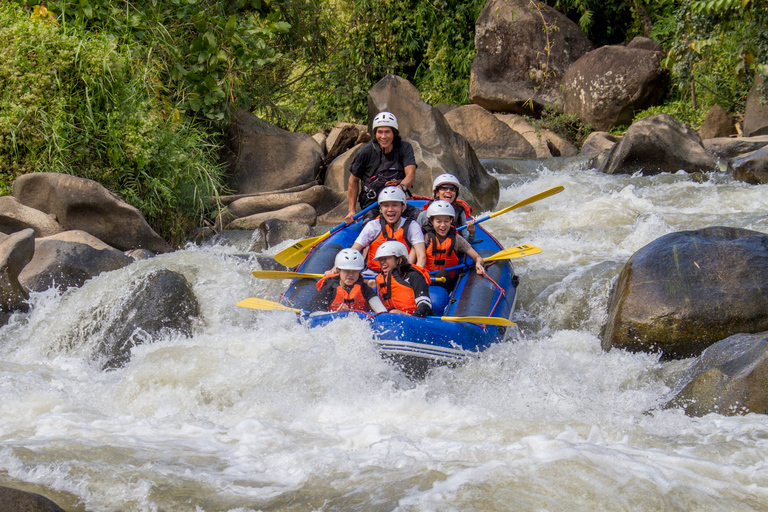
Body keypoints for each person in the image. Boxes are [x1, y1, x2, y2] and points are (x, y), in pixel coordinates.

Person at [345, 111, 419, 224]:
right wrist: (351, 211)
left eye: (387, 132)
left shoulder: (405, 148)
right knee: (370, 228)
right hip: (373, 205)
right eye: (380, 132)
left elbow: (411, 175)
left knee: (424, 218)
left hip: (397, 202)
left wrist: (399, 188)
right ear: (375, 133)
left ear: (394, 133)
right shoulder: (365, 152)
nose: (383, 136)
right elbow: (353, 181)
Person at [352, 186, 426, 272]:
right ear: (380, 208)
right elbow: (354, 250)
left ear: (403, 207)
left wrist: (415, 277)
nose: (390, 209)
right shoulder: (373, 226)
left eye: (395, 205)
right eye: (386, 206)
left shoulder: (412, 226)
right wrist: (337, 268)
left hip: (401, 275)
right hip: (373, 274)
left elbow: (421, 257)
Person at [422, 201, 485, 289]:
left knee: (442, 273)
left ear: (451, 221)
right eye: (438, 221)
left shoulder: (456, 239)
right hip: (427, 279)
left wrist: (478, 264)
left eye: (447, 221)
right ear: (431, 221)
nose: (443, 225)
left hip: (446, 281)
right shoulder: (425, 237)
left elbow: (477, 257)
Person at [310, 249, 387, 313]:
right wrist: (336, 314)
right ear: (338, 270)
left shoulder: (365, 289)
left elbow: (382, 312)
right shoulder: (329, 288)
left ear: (359, 272)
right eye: (347, 271)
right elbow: (315, 313)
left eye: (354, 271)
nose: (351, 275)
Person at [373, 241, 433, 317]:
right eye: (380, 259)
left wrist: (413, 318)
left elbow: (425, 305)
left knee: (393, 312)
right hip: (392, 318)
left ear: (400, 260)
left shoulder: (413, 276)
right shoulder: (381, 278)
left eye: (386, 258)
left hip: (416, 319)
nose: (382, 262)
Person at [416, 173, 476, 243]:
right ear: (437, 193)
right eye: (444, 188)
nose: (448, 191)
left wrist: (471, 233)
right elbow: (415, 239)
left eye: (452, 189)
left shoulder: (459, 212)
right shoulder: (424, 215)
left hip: (451, 250)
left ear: (456, 194)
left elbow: (466, 241)